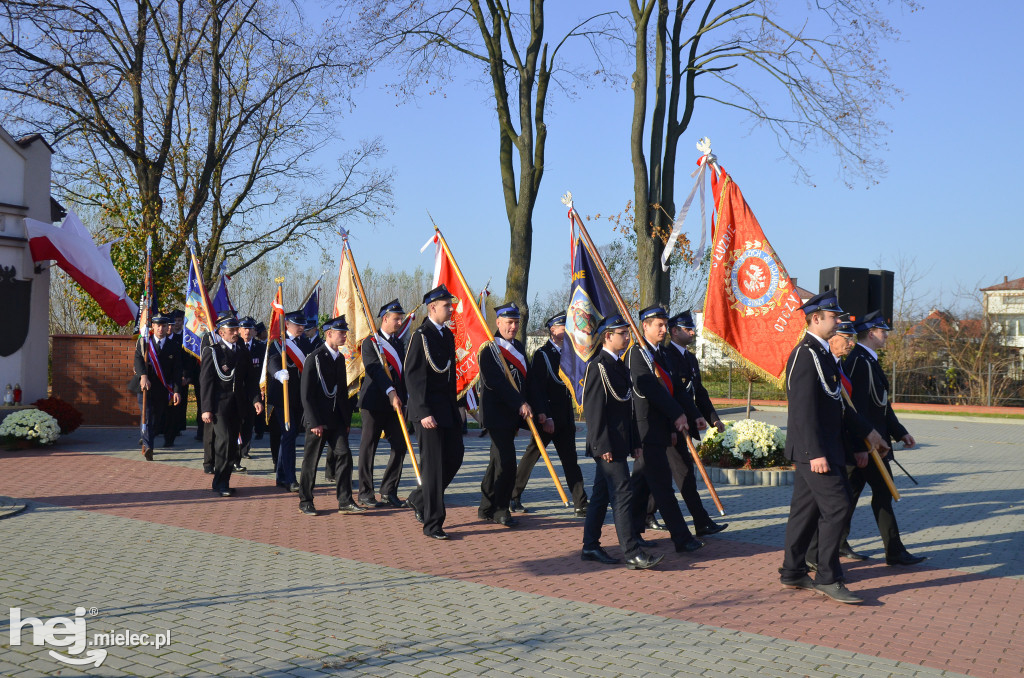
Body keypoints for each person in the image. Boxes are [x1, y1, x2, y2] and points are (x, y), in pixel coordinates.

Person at [778, 290, 886, 604]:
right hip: (816, 452)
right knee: (838, 507)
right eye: (834, 317)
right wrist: (815, 454)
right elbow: (802, 410)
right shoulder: (805, 353)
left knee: (804, 512)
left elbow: (840, 405)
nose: (838, 321)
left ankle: (793, 570)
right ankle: (828, 576)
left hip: (826, 448)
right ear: (816, 318)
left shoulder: (824, 353)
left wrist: (871, 433)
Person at [581, 314, 663, 570]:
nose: (627, 337)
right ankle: (631, 552)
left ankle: (590, 545)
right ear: (608, 336)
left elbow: (627, 410)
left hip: (619, 443)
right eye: (622, 334)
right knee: (623, 493)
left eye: (627, 333)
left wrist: (635, 441)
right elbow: (594, 411)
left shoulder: (619, 365)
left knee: (600, 495)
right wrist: (602, 445)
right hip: (606, 445)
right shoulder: (598, 366)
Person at [844, 310, 925, 566]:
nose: (887, 336)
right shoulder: (858, 361)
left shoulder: (869, 360)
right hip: (867, 445)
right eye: (883, 331)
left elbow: (881, 406)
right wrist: (859, 446)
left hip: (873, 443)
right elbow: (854, 409)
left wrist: (900, 432)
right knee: (883, 492)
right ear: (871, 333)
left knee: (850, 494)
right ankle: (894, 551)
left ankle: (835, 542)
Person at [626, 305, 704, 553]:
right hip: (645, 428)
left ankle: (632, 531)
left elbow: (676, 390)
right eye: (658, 325)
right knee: (661, 485)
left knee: (641, 484)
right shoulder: (637, 355)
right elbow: (652, 390)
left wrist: (693, 415)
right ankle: (681, 537)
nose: (662, 329)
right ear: (644, 326)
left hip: (660, 428)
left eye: (664, 324)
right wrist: (676, 414)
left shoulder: (662, 354)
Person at [644, 310, 728, 537]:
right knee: (681, 473)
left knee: (657, 474)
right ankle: (698, 521)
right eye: (687, 329)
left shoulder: (689, 358)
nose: (692, 332)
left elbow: (696, 393)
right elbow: (667, 395)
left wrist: (711, 417)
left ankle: (646, 513)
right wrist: (674, 424)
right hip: (671, 425)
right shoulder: (662, 355)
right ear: (674, 331)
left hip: (683, 423)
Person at [403, 284, 466, 540]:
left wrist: (457, 408)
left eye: (451, 304)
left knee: (455, 456)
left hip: (446, 410)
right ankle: (433, 523)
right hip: (427, 412)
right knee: (433, 467)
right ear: (433, 307)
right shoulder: (421, 336)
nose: (451, 309)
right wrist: (422, 411)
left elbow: (449, 378)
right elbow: (413, 376)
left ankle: (419, 498)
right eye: (446, 305)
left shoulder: (446, 336)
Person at [511, 313, 588, 516]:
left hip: (566, 418)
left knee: (571, 461)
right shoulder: (542, 354)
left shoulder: (572, 354)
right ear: (553, 330)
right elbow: (537, 388)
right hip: (548, 418)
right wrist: (545, 415)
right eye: (563, 326)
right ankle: (513, 496)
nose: (567, 329)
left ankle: (580, 502)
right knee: (531, 457)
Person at [477, 303, 533, 528]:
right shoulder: (489, 348)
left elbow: (526, 381)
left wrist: (535, 409)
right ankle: (500, 509)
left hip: (513, 415)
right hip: (496, 414)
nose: (513, 327)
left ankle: (485, 506)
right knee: (507, 461)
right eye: (509, 322)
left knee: (497, 461)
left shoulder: (518, 346)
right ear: (498, 322)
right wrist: (519, 402)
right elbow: (496, 382)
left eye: (516, 322)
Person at [298, 316, 360, 515]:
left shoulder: (340, 359)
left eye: (345, 332)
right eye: (341, 332)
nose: (344, 336)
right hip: (317, 420)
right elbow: (306, 394)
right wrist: (314, 421)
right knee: (311, 460)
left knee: (344, 456)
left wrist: (346, 420)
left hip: (336, 419)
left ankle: (345, 500)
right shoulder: (314, 358)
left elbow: (341, 393)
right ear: (329, 334)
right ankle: (306, 500)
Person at [199, 315, 262, 497]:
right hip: (219, 405)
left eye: (237, 329)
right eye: (232, 330)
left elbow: (250, 380)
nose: (236, 332)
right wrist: (206, 409)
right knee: (225, 441)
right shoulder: (213, 352)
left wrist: (256, 399)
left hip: (238, 405)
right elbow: (206, 382)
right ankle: (221, 481)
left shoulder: (243, 351)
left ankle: (222, 480)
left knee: (233, 445)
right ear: (221, 332)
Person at [356, 299, 409, 508]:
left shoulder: (398, 343)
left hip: (395, 404)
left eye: (401, 319)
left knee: (400, 444)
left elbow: (402, 373)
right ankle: (365, 493)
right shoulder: (371, 342)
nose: (399, 323)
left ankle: (388, 490)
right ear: (385, 319)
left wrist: (404, 396)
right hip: (374, 403)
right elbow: (374, 370)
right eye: (396, 319)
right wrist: (390, 391)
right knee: (369, 447)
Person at [266, 311, 311, 492]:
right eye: (297, 324)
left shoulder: (306, 343)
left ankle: (281, 475)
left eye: (302, 325)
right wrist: (278, 372)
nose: (301, 328)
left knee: (291, 435)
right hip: (282, 397)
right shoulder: (278, 343)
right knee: (289, 434)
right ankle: (290, 478)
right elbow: (272, 362)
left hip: (300, 397)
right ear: (287, 325)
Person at [131, 315, 183, 460]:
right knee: (146, 416)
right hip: (145, 387)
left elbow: (177, 371)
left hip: (162, 389)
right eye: (157, 325)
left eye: (164, 326)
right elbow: (138, 359)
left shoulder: (174, 346)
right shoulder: (145, 342)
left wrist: (177, 391)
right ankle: (149, 447)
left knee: (156, 419)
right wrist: (143, 375)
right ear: (153, 326)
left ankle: (146, 439)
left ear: (168, 328)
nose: (160, 329)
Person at [236, 317, 264, 462]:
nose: (247, 331)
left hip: (253, 390)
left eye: (250, 328)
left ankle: (245, 449)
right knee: (237, 422)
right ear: (239, 330)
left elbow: (264, 371)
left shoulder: (260, 347)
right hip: (237, 391)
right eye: (244, 328)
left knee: (249, 421)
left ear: (254, 331)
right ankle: (236, 450)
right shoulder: (236, 346)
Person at [253, 321, 268, 440]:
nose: (265, 333)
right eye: (263, 332)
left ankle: (261, 429)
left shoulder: (266, 345)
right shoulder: (256, 345)